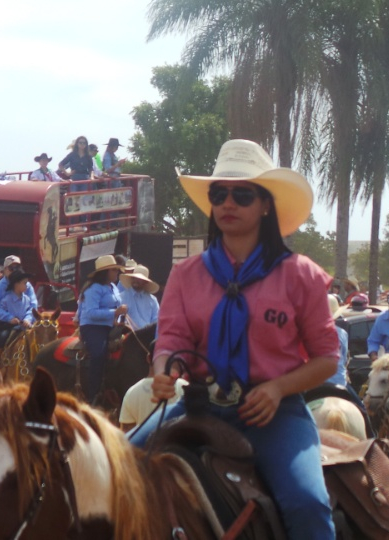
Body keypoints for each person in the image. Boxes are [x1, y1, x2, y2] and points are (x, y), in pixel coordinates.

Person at [128, 139, 339, 539]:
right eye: (219, 194)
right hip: (200, 406)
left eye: (242, 194)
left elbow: (328, 358)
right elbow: (170, 339)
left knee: (307, 502)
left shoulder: (302, 275)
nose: (228, 203)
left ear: (265, 205)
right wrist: (163, 371)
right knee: (119, 465)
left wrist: (277, 388)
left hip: (275, 414)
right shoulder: (186, 274)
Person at [78, 255, 127, 402]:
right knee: (99, 354)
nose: (117, 273)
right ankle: (93, 394)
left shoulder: (113, 288)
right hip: (92, 327)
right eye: (114, 270)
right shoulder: (94, 289)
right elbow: (90, 313)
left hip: (109, 326)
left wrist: (118, 320)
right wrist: (115, 313)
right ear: (105, 272)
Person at [0, 255, 38, 346]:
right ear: (5, 269)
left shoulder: (27, 286)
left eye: (18, 267)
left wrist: (28, 318)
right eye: (12, 268)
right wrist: (9, 318)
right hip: (3, 323)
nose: (15, 270)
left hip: (25, 323)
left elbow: (33, 305)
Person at [119, 264, 160, 329]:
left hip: (147, 336)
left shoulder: (152, 300)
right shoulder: (121, 297)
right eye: (134, 278)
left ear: (145, 282)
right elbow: (119, 319)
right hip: (128, 335)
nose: (135, 280)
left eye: (139, 279)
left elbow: (156, 321)